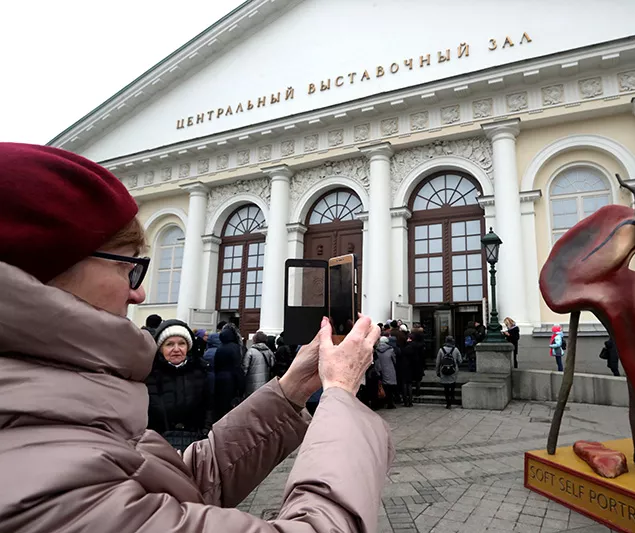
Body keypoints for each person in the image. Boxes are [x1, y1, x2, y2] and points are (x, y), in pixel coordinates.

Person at [0, 142, 393, 532]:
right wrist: (339, 395)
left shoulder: (47, 419)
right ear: (48, 269)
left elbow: (175, 489)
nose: (139, 293)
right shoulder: (42, 477)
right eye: (129, 267)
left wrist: (290, 390)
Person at [146, 319, 213, 451]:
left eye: (182, 344)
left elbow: (210, 408)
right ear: (160, 348)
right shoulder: (148, 375)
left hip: (195, 446)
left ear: (188, 347)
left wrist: (205, 433)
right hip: (156, 446)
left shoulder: (202, 372)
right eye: (169, 344)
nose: (176, 349)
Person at [213, 327, 245, 420]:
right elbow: (236, 366)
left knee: (220, 404)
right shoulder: (235, 347)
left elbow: (216, 364)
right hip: (231, 379)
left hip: (219, 378)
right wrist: (241, 384)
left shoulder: (219, 348)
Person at [242, 331, 275, 397]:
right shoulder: (269, 351)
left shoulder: (251, 351)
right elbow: (272, 365)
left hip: (251, 383)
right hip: (265, 382)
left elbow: (245, 368)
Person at [436, 336, 462, 409]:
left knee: (446, 387)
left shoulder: (441, 350)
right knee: (452, 383)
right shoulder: (456, 349)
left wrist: (437, 371)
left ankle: (448, 403)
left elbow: (438, 362)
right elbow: (460, 360)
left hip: (443, 370)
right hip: (453, 370)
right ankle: (452, 396)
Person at [375, 337, 397, 409]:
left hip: (380, 370)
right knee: (390, 387)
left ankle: (381, 403)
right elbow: (394, 360)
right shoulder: (390, 350)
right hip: (389, 370)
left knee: (381, 386)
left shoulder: (376, 350)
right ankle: (390, 403)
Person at [397, 336, 416, 407]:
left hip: (403, 368)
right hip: (410, 368)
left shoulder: (403, 349)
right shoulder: (413, 349)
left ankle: (405, 402)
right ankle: (410, 401)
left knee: (404, 385)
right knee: (410, 385)